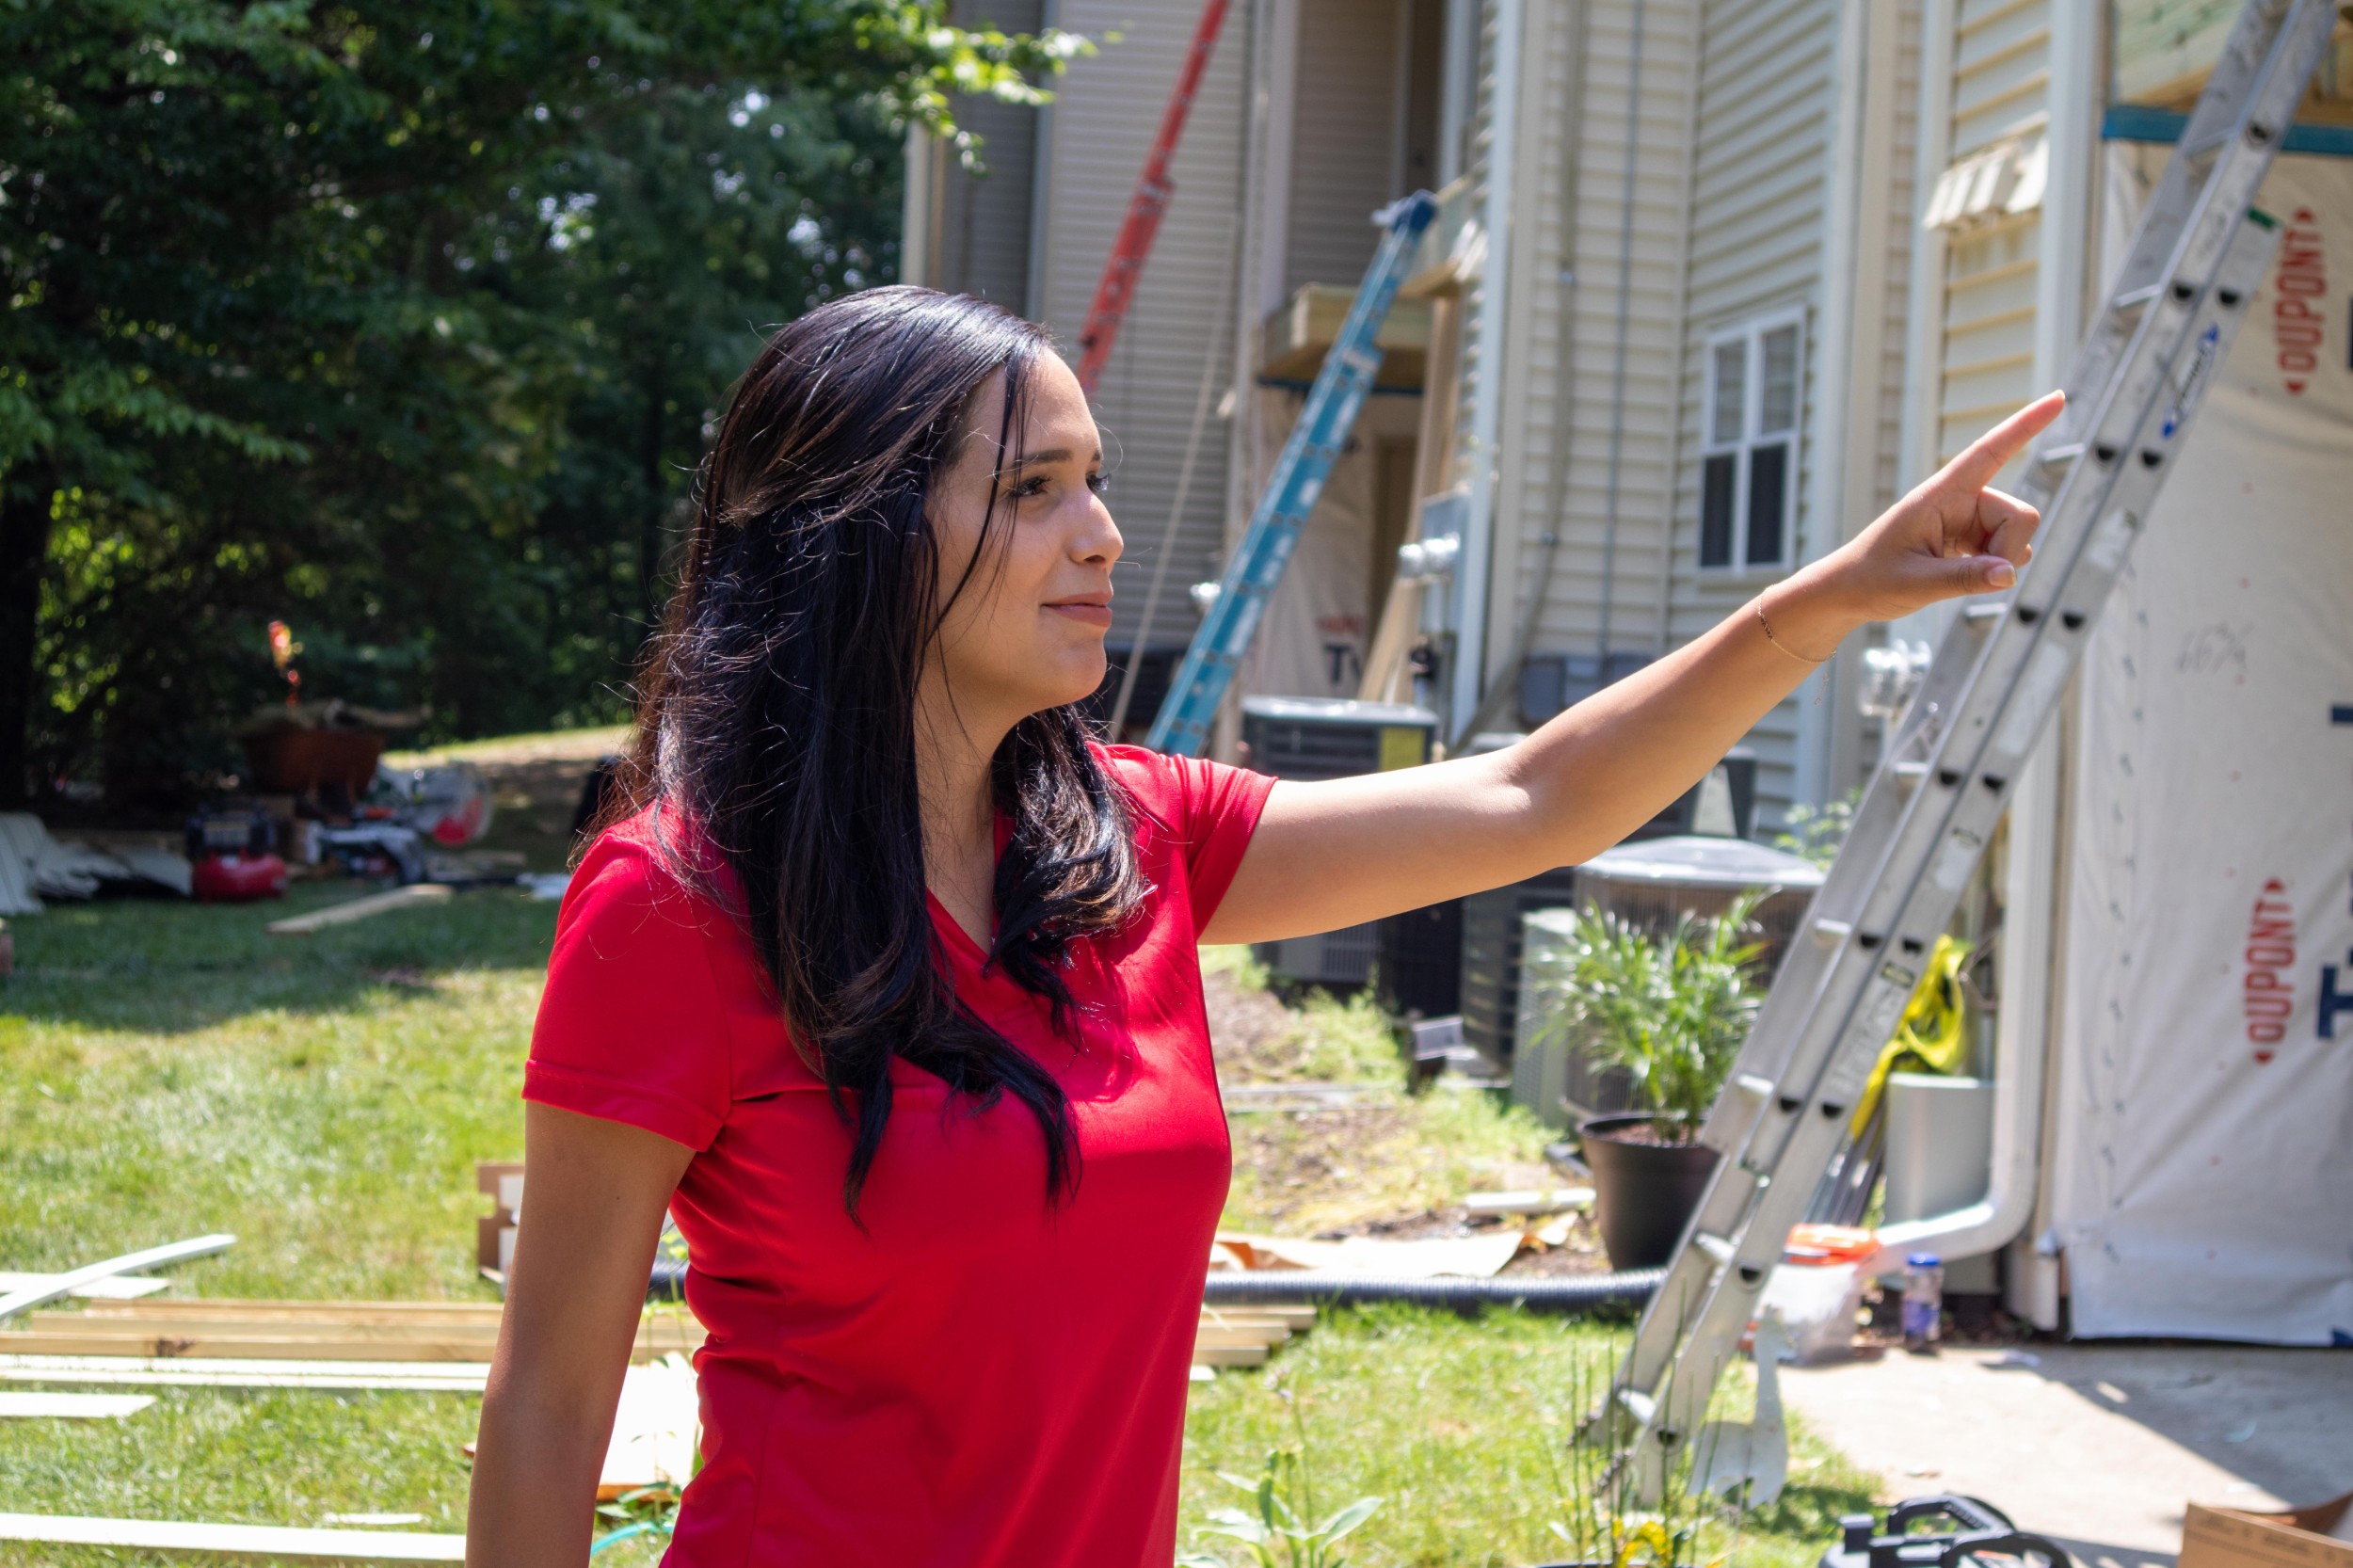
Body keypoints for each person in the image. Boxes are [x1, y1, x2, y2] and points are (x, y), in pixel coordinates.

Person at [464, 285, 2059, 1567]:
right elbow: (551, 1397)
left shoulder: (1131, 842)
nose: (1099, 534)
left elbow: (1534, 800)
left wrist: (1834, 594)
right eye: (1030, 491)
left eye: (1094, 480)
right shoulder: (678, 908)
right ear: (855, 540)